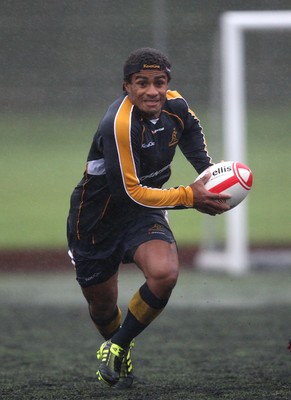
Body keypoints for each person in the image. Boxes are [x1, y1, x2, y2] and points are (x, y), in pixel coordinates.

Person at [67, 47, 231, 389]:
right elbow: (129, 191)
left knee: (164, 273)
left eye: (159, 82)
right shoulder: (119, 123)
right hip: (96, 219)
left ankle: (118, 345)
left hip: (144, 210)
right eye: (142, 83)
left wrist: (212, 177)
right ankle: (115, 341)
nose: (152, 91)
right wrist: (190, 196)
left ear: (168, 83)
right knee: (102, 305)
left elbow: (190, 134)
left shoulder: (177, 107)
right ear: (127, 86)